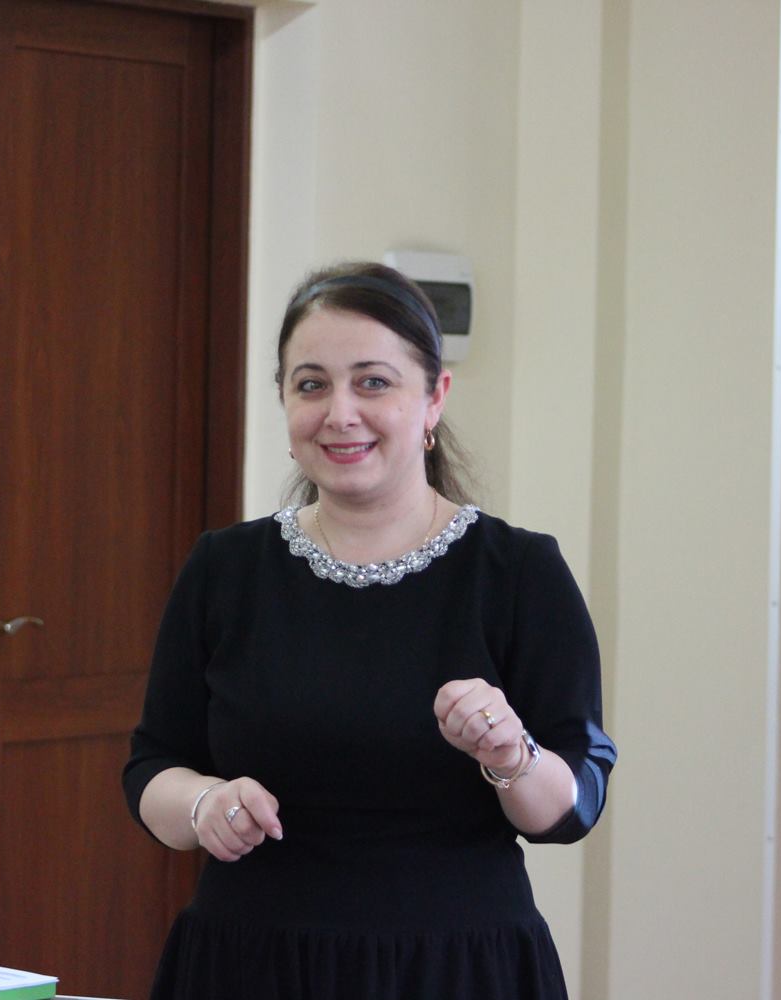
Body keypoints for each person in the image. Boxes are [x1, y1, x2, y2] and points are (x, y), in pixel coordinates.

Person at [122, 261, 617, 1000]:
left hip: (457, 970)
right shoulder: (225, 569)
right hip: (249, 964)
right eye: (311, 385)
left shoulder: (518, 572)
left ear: (434, 397)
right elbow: (152, 766)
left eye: (374, 383)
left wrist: (511, 753)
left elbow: (574, 805)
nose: (340, 413)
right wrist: (202, 804)